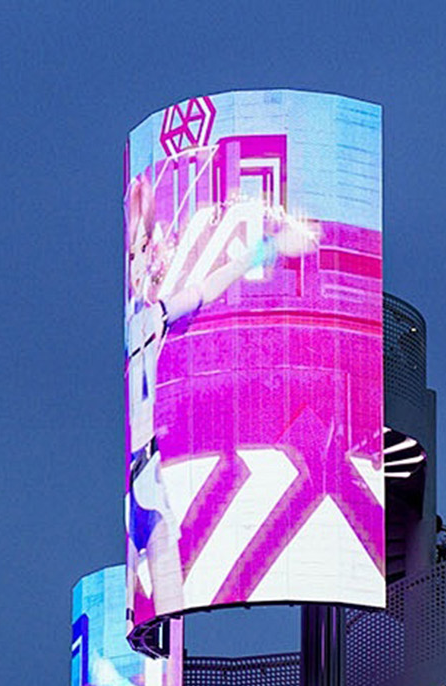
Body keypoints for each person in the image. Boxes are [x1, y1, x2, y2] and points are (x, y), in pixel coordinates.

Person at [125, 174, 318, 618]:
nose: (139, 261)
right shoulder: (139, 321)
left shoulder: (152, 316)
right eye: (133, 251)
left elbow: (206, 289)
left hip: (149, 473)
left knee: (167, 597)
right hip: (138, 478)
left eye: (143, 247)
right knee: (144, 607)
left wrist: (269, 249)